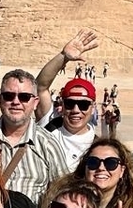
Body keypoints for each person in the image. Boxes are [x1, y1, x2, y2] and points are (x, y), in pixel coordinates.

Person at [0, 69, 70, 200]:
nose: (16, 102)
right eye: (9, 96)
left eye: (24, 97)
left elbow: (64, 192)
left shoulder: (48, 144)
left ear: (36, 102)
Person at [34, 30, 101, 166]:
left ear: (93, 108)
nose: (76, 110)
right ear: (62, 105)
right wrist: (63, 56)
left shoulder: (97, 147)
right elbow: (40, 87)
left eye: (83, 105)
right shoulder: (49, 126)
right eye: (70, 103)